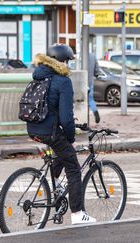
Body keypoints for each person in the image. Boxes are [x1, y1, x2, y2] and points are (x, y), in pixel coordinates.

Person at [27, 44, 97, 225]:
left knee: (60, 150)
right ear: (61, 61)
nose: (69, 65)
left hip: (33, 129)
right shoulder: (63, 81)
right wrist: (72, 138)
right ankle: (78, 214)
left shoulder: (39, 77)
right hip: (49, 131)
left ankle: (56, 186)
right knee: (73, 167)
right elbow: (66, 119)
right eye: (67, 61)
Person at [88, 53, 103, 123]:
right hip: (90, 81)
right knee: (90, 99)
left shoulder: (77, 56)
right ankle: (95, 111)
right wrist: (97, 74)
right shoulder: (93, 56)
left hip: (79, 81)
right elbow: (97, 70)